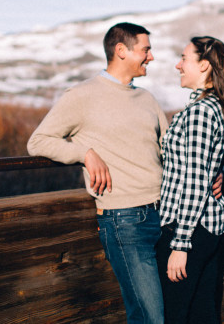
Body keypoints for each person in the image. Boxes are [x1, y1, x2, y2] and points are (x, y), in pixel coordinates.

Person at [27, 22, 168, 324]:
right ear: (121, 50)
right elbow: (37, 142)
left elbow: (169, 151)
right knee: (151, 317)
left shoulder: (147, 99)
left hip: (165, 214)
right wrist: (84, 153)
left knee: (167, 312)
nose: (151, 57)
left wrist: (212, 173)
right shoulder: (82, 96)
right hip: (124, 221)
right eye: (146, 50)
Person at [156, 36, 224, 324]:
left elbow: (194, 181)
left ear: (204, 66)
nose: (178, 65)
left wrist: (180, 244)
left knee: (178, 316)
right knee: (203, 314)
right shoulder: (212, 107)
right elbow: (207, 165)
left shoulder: (201, 113)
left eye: (184, 58)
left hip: (189, 229)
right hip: (206, 228)